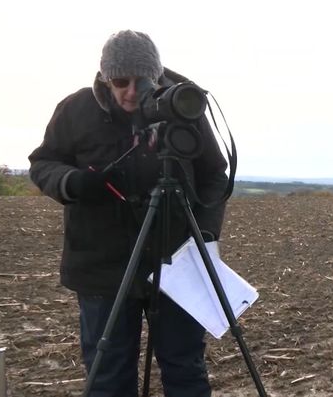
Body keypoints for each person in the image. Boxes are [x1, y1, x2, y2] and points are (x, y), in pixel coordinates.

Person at [28, 30, 229, 397]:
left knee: (186, 370)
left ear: (158, 75)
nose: (132, 92)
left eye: (143, 81)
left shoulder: (184, 108)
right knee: (108, 379)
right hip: (101, 267)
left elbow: (215, 174)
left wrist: (204, 234)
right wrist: (73, 183)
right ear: (105, 78)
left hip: (177, 265)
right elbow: (42, 163)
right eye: (121, 82)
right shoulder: (75, 110)